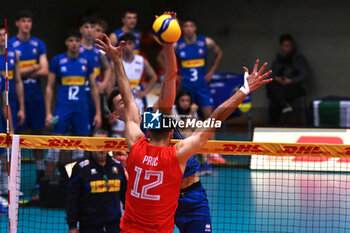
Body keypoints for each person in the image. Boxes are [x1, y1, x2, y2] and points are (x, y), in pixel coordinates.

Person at [96, 31, 272, 232]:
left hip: (188, 195)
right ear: (114, 114)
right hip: (161, 206)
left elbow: (166, 80)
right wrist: (244, 90)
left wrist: (168, 45)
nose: (127, 103)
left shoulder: (142, 131)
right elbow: (214, 119)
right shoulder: (170, 151)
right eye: (120, 104)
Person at [45, 30, 102, 176]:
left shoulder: (86, 62)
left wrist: (98, 113)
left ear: (80, 42)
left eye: (76, 40)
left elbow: (94, 88)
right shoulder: (57, 61)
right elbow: (49, 87)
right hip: (62, 109)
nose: (74, 43)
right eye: (71, 40)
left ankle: (78, 181)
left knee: (80, 148)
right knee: (54, 146)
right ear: (66, 43)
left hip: (81, 110)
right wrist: (48, 112)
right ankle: (48, 182)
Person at [174, 18, 225, 170]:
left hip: (202, 86)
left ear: (195, 28)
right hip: (187, 87)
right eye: (186, 26)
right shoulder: (178, 45)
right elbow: (162, 57)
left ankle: (213, 152)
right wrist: (175, 74)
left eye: (191, 25)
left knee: (210, 118)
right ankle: (189, 151)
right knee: (187, 120)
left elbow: (219, 53)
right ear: (183, 29)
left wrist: (211, 71)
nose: (189, 28)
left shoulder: (206, 42)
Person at [9, 10, 48, 185]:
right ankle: (15, 175)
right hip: (17, 97)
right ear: (17, 23)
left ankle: (40, 173)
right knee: (17, 134)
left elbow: (45, 70)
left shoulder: (38, 44)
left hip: (36, 96)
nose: (26, 24)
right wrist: (33, 68)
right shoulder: (10, 44)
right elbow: (9, 74)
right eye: (23, 20)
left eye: (29, 21)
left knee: (38, 133)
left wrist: (19, 71)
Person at [66, 129, 127, 233]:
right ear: (90, 145)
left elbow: (125, 196)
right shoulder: (81, 168)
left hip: (114, 226)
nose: (101, 149)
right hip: (89, 227)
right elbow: (72, 199)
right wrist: (72, 226)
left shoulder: (118, 167)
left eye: (104, 144)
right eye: (97, 144)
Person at [266, 33, 310, 125]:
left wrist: (291, 80)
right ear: (281, 46)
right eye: (285, 45)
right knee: (271, 86)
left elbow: (304, 75)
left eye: (289, 45)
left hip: (294, 86)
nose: (287, 48)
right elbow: (271, 75)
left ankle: (283, 102)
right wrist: (277, 78)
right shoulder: (277, 60)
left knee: (277, 97)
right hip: (280, 86)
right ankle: (273, 125)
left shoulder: (298, 58)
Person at [79, 17, 111, 131]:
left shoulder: (98, 51)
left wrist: (104, 83)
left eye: (92, 27)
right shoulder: (76, 49)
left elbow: (108, 68)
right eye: (86, 27)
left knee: (95, 127)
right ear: (81, 30)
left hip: (96, 95)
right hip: (80, 95)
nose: (89, 30)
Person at [0, 23, 25, 132]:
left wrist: (22, 108)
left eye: (4, 34)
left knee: (11, 133)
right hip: (1, 98)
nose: (2, 38)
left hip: (11, 101)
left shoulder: (13, 54)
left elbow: (18, 81)